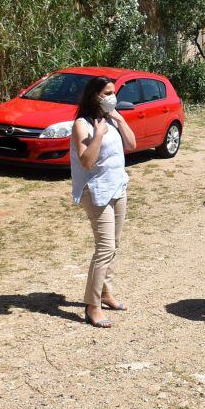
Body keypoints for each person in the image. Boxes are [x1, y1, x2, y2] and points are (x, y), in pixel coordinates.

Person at [70, 76, 136, 328]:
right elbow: (87, 161)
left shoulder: (113, 119)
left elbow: (132, 143)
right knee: (105, 248)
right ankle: (92, 305)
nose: (113, 96)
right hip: (96, 192)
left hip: (117, 187)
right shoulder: (81, 124)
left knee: (114, 244)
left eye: (114, 92)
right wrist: (97, 135)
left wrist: (119, 118)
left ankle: (106, 293)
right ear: (95, 96)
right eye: (108, 92)